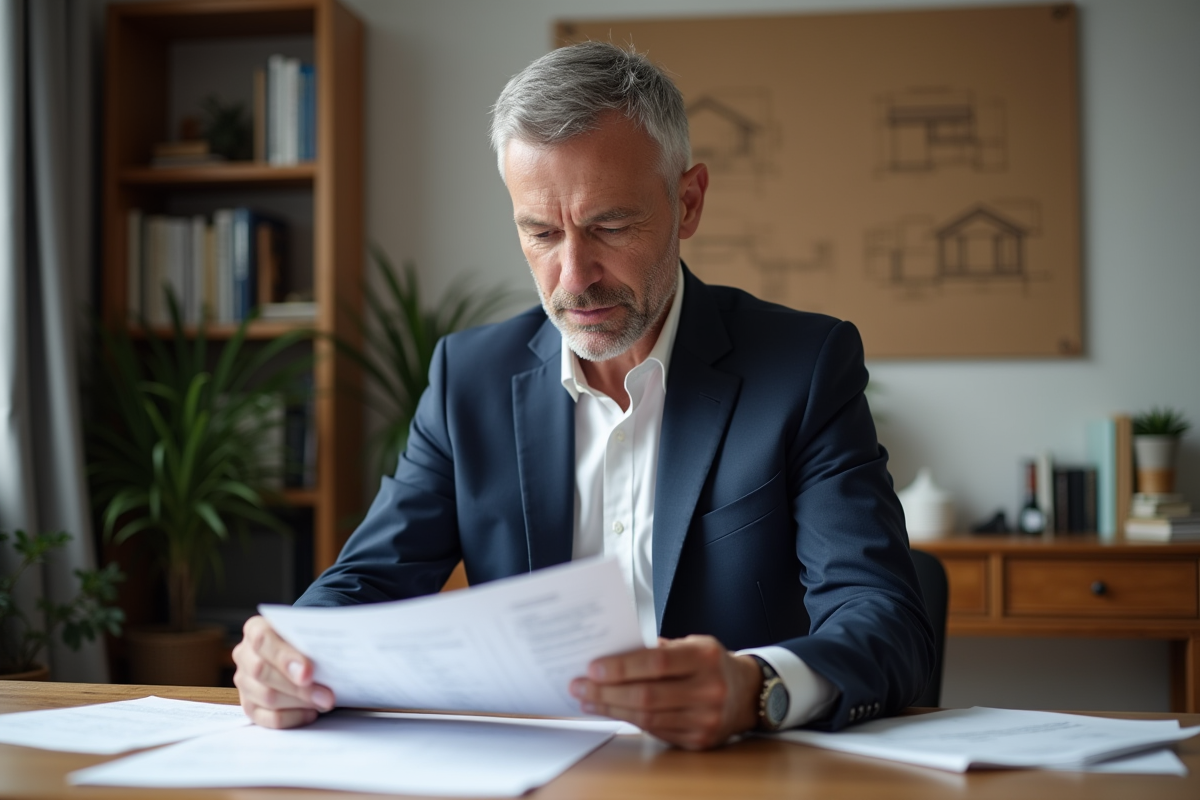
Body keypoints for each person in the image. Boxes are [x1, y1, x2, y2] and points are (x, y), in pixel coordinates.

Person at [233, 41, 934, 751]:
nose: (573, 277)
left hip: (737, 773)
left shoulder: (803, 368)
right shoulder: (467, 379)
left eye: (610, 227)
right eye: (540, 232)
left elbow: (884, 619)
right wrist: (285, 653)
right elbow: (365, 583)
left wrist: (756, 687)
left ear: (687, 202)